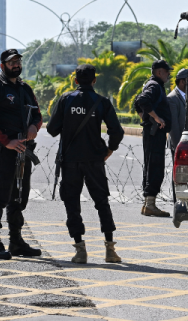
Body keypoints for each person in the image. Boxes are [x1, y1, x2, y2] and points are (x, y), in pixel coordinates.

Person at [46, 64, 125, 264]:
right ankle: (110, 250)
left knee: (72, 204)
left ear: (75, 81)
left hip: (70, 160)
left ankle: (80, 250)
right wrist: (110, 149)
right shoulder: (102, 102)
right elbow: (116, 131)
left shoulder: (66, 99)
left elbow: (52, 129)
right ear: (94, 80)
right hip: (94, 160)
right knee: (102, 202)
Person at [0, 49, 43, 260]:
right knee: (0, 196)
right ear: (3, 66)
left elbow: (37, 114)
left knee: (19, 197)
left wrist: (34, 126)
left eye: (18, 62)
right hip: (5, 150)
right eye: (11, 62)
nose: (16, 65)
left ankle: (16, 241)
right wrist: (7, 142)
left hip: (24, 150)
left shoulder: (25, 88)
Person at [135, 60, 172, 217]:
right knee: (155, 166)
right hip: (154, 133)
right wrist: (155, 119)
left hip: (154, 132)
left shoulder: (154, 85)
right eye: (166, 72)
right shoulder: (154, 85)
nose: (168, 75)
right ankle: (150, 205)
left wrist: (146, 118)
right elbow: (142, 101)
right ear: (159, 72)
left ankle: (148, 204)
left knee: (152, 165)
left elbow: (137, 102)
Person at [167, 68, 188, 158]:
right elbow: (174, 127)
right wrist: (179, 147)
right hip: (179, 144)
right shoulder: (172, 98)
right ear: (182, 82)